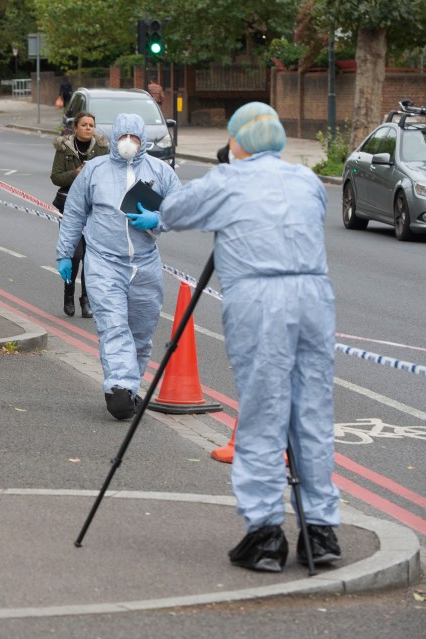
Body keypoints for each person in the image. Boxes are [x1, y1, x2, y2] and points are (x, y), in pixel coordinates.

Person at [155, 102, 341, 573]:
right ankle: (321, 530)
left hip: (260, 298)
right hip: (313, 296)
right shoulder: (305, 180)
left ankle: (264, 534)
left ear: (237, 140)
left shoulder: (228, 180)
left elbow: (173, 211)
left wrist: (223, 172)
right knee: (312, 411)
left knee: (263, 412)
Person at [56, 113, 181, 420]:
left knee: (140, 331)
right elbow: (74, 213)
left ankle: (129, 387)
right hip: (103, 262)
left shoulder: (159, 171)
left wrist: (159, 219)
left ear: (143, 141)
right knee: (113, 326)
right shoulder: (95, 171)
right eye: (123, 137)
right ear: (113, 139)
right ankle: (118, 389)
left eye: (134, 138)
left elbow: (181, 207)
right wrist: (64, 252)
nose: (128, 143)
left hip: (145, 263)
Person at [51, 112, 109, 318]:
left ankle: (86, 300)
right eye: (84, 125)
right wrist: (75, 173)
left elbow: (108, 177)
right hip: (69, 206)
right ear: (75, 127)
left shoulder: (103, 149)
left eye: (91, 125)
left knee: (90, 257)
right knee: (74, 255)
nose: (88, 128)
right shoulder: (64, 148)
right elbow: (55, 177)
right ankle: (68, 295)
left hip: (94, 208)